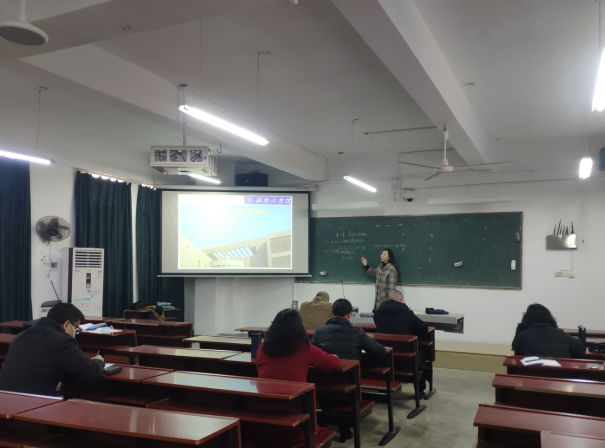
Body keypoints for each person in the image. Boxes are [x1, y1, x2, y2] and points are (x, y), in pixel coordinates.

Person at [253, 309, 340, 448]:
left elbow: (259, 369)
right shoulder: (304, 347)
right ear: (299, 327)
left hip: (262, 418)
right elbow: (333, 364)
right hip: (295, 423)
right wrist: (335, 356)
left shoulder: (263, 347)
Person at [312, 298, 387, 441]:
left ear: (332, 313)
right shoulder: (357, 332)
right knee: (346, 380)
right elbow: (380, 352)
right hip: (349, 395)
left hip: (321, 394)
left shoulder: (318, 333)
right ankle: (344, 429)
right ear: (350, 314)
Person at [0, 303, 105, 396]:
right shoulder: (62, 341)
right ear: (67, 324)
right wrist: (98, 361)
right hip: (30, 403)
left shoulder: (21, 335)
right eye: (76, 328)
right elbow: (91, 371)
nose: (75, 333)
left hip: (4, 400)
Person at [373, 289, 432, 398]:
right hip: (406, 360)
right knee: (420, 354)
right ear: (401, 300)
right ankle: (420, 391)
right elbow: (424, 328)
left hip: (384, 357)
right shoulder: (407, 313)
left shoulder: (377, 313)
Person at [512, 303, 585, 358]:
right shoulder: (560, 334)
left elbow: (515, 346)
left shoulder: (524, 335)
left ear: (527, 318)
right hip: (559, 372)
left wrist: (522, 325)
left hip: (532, 372)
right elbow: (580, 347)